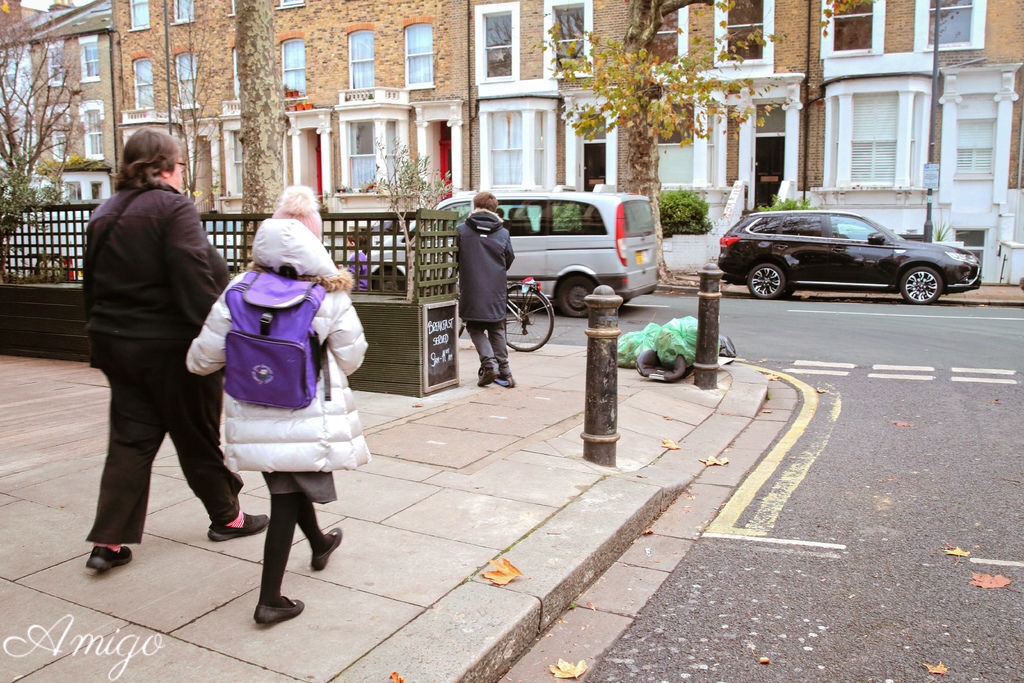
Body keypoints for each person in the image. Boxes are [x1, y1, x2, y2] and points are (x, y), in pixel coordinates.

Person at [82, 129, 268, 573]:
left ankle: (107, 543)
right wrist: (219, 335)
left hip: (117, 347)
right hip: (173, 349)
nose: (181, 173)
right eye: (181, 165)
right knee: (197, 434)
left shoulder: (104, 212)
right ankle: (229, 517)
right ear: (166, 166)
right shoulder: (172, 206)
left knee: (129, 443)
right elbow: (193, 273)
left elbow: (91, 285)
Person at [187, 185, 370, 626]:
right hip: (307, 414)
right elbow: (352, 358)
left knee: (286, 483)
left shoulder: (237, 290)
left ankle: (321, 544)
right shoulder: (327, 296)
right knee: (287, 498)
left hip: (254, 414)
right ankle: (270, 599)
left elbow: (201, 361)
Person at [457, 191, 516, 388]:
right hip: (496, 290)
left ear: (474, 207)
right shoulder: (503, 233)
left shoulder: (462, 231)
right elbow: (509, 259)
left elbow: (455, 259)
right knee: (496, 327)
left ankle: (489, 364)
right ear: (494, 209)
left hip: (471, 288)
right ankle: (505, 373)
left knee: (474, 327)